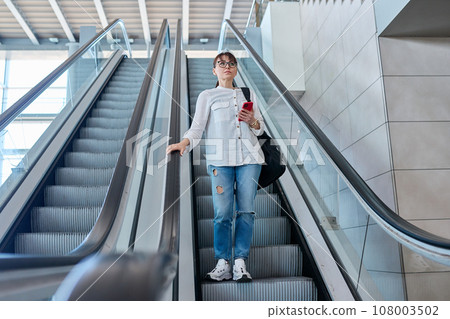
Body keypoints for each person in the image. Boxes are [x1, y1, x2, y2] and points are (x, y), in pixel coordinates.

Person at [166, 52, 265, 282]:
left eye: (231, 63)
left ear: (236, 69)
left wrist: (252, 120)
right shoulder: (207, 96)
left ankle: (240, 262)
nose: (227, 66)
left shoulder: (247, 94)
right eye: (221, 63)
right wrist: (184, 143)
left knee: (246, 211)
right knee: (222, 214)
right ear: (214, 70)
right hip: (220, 162)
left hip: (249, 160)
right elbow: (197, 127)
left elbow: (260, 130)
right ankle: (223, 262)